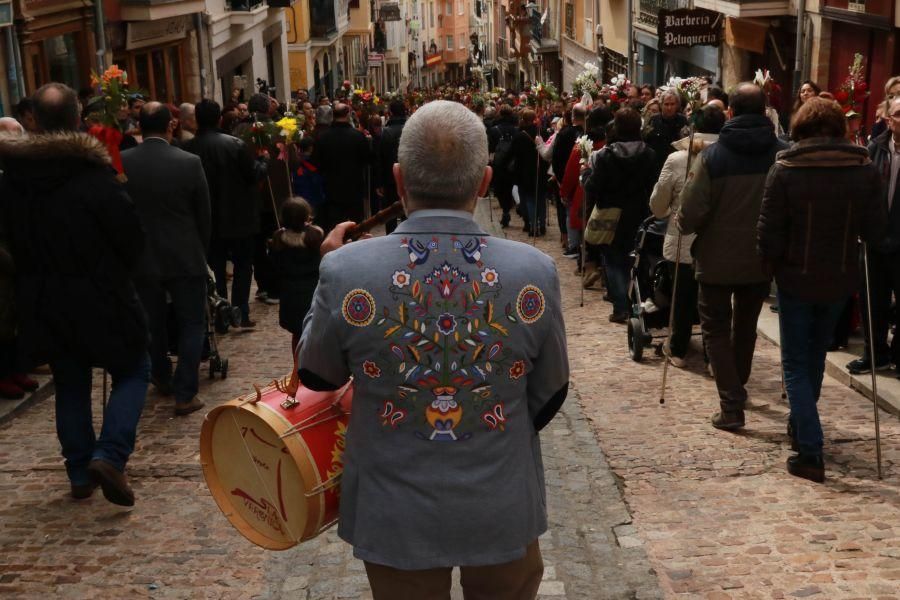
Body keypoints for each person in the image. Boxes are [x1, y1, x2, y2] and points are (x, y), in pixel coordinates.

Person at [297, 99, 569, 600]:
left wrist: (325, 276)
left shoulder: (346, 271)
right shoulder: (533, 272)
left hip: (394, 508)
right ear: (485, 182)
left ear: (398, 179)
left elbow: (318, 375)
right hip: (500, 501)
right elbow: (549, 395)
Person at [0, 83, 150, 506]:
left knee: (70, 383)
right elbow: (131, 240)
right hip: (101, 295)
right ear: (77, 117)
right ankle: (111, 454)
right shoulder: (94, 177)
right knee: (134, 369)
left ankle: (79, 470)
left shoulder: (14, 181)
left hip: (44, 300)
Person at [758, 97, 885, 483]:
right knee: (813, 355)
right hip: (840, 278)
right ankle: (802, 422)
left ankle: (809, 449)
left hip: (795, 278)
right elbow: (876, 231)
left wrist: (767, 266)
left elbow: (769, 231)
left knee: (796, 362)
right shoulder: (863, 171)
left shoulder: (785, 170)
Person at [678, 83, 789, 431]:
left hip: (716, 257)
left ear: (730, 112)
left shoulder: (712, 157)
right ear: (765, 111)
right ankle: (736, 390)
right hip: (760, 258)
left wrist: (683, 222)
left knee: (715, 327)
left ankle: (731, 402)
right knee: (745, 327)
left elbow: (691, 213)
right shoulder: (782, 155)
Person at [122, 102, 211, 416]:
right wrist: (202, 251)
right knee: (191, 323)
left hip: (142, 257)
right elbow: (203, 214)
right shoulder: (188, 162)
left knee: (152, 322)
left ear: (139, 126)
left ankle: (161, 375)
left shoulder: (122, 163)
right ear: (170, 125)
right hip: (184, 254)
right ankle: (185, 393)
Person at [649, 105, 725, 367]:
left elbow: (658, 205)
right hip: (719, 244)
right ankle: (714, 354)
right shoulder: (732, 159)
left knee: (681, 298)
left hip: (683, 240)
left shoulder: (678, 160)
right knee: (716, 303)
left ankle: (679, 348)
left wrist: (669, 210)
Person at [184, 99, 268, 328]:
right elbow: (252, 174)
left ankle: (220, 313)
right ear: (219, 118)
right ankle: (240, 311)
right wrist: (263, 162)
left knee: (216, 268)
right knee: (242, 266)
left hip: (208, 219)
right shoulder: (235, 145)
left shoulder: (188, 148)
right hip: (239, 217)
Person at [583, 107, 656, 322]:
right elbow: (653, 185)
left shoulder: (606, 156)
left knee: (613, 259)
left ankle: (621, 307)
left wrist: (586, 175)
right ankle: (636, 303)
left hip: (610, 213)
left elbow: (593, 186)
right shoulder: (649, 154)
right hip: (639, 213)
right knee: (635, 258)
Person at [846, 95, 900, 375]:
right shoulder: (874, 149)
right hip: (876, 238)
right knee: (872, 300)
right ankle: (875, 354)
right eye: (899, 114)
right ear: (889, 119)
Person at [269, 197, 323, 356]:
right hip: (313, 294)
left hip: (290, 295)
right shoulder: (316, 237)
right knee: (316, 334)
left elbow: (275, 267)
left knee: (298, 335)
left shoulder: (278, 240)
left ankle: (297, 369)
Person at [313, 102, 372, 230]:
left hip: (331, 188)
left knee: (334, 225)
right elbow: (367, 159)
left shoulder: (323, 137)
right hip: (354, 188)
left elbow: (316, 162)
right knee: (356, 225)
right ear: (348, 114)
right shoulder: (357, 136)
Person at [512, 108, 548, 235]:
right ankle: (542, 224)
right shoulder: (542, 132)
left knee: (530, 199)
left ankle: (533, 226)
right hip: (541, 170)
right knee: (542, 198)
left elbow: (515, 155)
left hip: (526, 171)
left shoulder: (519, 136)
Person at [376, 99, 407, 233]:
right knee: (408, 211)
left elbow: (380, 159)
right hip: (410, 178)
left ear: (390, 113)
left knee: (390, 213)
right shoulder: (412, 128)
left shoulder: (386, 132)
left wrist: (379, 182)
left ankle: (391, 238)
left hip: (390, 179)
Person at [644, 89, 688, 177]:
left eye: (672, 104)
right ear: (661, 105)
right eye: (666, 104)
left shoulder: (683, 121)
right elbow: (646, 141)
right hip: (657, 166)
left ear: (677, 105)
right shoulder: (653, 120)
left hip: (676, 166)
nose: (669, 108)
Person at [488, 103, 519, 228]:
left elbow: (490, 148)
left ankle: (506, 211)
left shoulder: (494, 130)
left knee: (501, 189)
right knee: (512, 186)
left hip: (499, 163)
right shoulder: (516, 129)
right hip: (513, 162)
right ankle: (512, 205)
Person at [870, 75, 900, 141]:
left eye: (899, 94)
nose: (895, 99)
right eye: (891, 96)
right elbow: (872, 148)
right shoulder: (880, 124)